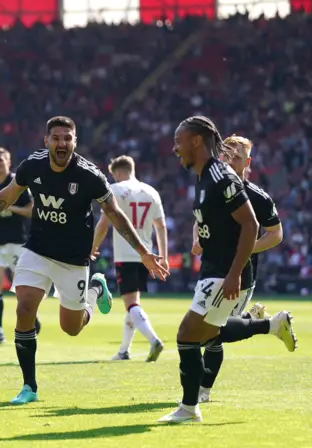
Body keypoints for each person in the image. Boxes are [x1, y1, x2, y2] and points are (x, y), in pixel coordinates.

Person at [0, 116, 169, 405]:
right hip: (37, 249)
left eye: (67, 138)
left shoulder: (90, 175)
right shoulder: (33, 165)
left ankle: (95, 289)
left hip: (73, 258)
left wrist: (144, 251)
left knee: (72, 328)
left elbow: (115, 214)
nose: (61, 143)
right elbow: (8, 195)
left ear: (75, 142)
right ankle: (29, 386)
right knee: (24, 308)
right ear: (46, 141)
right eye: (56, 138)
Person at [158, 116, 294, 424]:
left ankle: (190, 408)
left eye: (179, 141)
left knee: (189, 335)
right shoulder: (206, 176)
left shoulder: (220, 177)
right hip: (215, 269)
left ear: (196, 141)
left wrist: (234, 273)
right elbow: (209, 220)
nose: (175, 147)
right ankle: (270, 326)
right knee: (207, 335)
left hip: (224, 273)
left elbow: (252, 224)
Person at [191, 135, 295, 404]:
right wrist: (197, 238)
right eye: (225, 154)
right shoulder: (210, 184)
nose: (227, 160)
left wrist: (245, 251)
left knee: (208, 332)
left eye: (235, 157)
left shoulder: (257, 197)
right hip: (212, 268)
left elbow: (276, 234)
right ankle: (202, 391)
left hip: (240, 274)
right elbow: (199, 217)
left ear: (247, 162)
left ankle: (268, 324)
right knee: (209, 333)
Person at [91, 155, 167, 362]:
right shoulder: (151, 192)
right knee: (134, 302)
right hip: (147, 256)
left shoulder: (114, 190)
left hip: (125, 254)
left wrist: (93, 246)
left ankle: (154, 340)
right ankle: (124, 351)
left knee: (131, 304)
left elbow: (103, 224)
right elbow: (161, 227)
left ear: (116, 173)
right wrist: (164, 257)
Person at [0, 147, 39, 346]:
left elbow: (31, 210)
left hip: (17, 242)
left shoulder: (19, 182)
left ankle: (31, 319)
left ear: (8, 162)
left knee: (21, 289)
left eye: (0, 159)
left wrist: (9, 207)